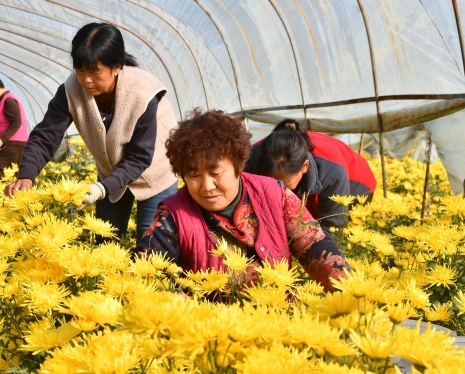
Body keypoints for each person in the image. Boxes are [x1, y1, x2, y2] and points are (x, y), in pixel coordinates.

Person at [136, 110, 349, 292]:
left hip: (282, 321)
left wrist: (346, 291)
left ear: (238, 166)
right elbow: (147, 278)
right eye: (194, 175)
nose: (207, 186)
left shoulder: (275, 194)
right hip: (211, 330)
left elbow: (315, 245)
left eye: (215, 173)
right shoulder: (172, 217)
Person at [4, 22, 178, 244]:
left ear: (116, 67)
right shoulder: (70, 91)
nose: (86, 79)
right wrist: (26, 175)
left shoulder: (142, 92)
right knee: (105, 244)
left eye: (95, 71)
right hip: (112, 173)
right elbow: (45, 135)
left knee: (151, 247)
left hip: (156, 174)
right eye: (80, 70)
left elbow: (139, 157)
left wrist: (101, 188)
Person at [245, 119, 376, 234]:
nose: (280, 190)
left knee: (336, 233)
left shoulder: (333, 174)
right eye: (272, 183)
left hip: (357, 184)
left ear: (304, 167)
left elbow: (331, 228)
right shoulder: (249, 160)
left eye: (286, 183)